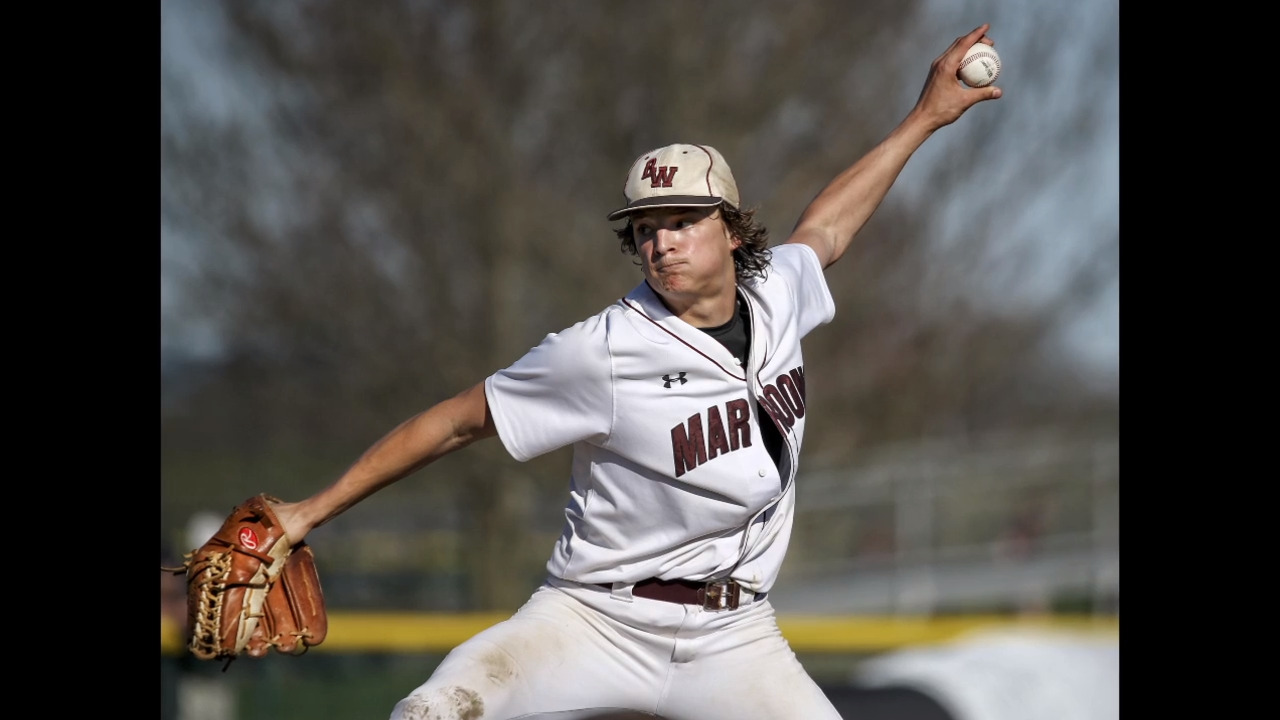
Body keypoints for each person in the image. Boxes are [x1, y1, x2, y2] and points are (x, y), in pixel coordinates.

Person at [269, 24, 1002, 720]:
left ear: (732, 229)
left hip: (735, 635)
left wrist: (926, 117)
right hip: (595, 619)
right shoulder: (602, 350)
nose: (662, 243)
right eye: (646, 229)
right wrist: (307, 513)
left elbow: (828, 228)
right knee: (433, 710)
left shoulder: (777, 292)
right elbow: (457, 421)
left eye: (682, 221)